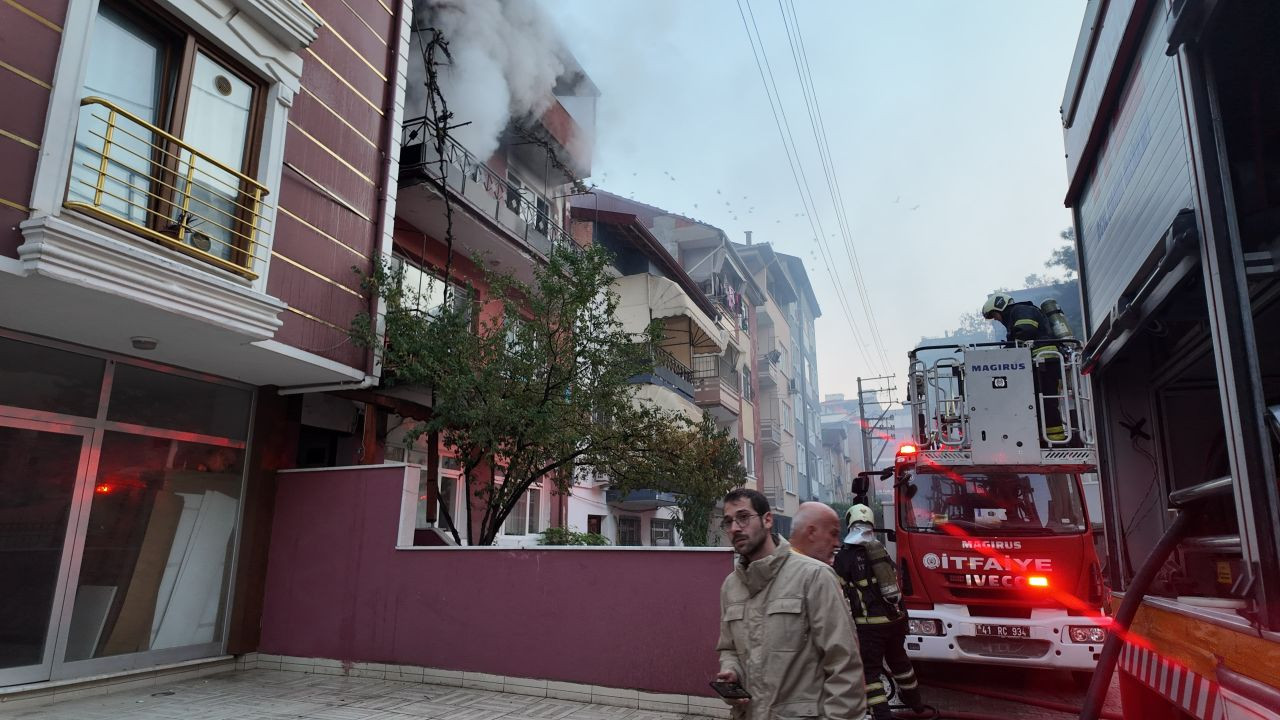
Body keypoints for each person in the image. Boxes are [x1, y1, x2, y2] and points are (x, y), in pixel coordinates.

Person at [715, 489, 866, 720]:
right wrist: (731, 670)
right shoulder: (730, 586)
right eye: (728, 522)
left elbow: (844, 666)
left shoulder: (814, 576)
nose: (735, 528)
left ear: (767, 520)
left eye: (743, 517)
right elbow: (729, 648)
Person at [833, 504, 924, 719]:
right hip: (896, 619)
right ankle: (916, 702)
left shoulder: (845, 556)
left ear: (850, 523)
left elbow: (835, 588)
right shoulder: (879, 549)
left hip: (870, 626)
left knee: (870, 673)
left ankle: (883, 715)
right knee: (899, 661)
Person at [981, 292, 1066, 442]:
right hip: (1038, 363)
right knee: (1037, 403)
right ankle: (1044, 439)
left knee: (1046, 402)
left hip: (1043, 361)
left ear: (1000, 307)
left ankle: (1056, 441)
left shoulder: (1021, 310)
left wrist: (1008, 349)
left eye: (995, 315)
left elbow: (1025, 330)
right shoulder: (1014, 316)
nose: (996, 319)